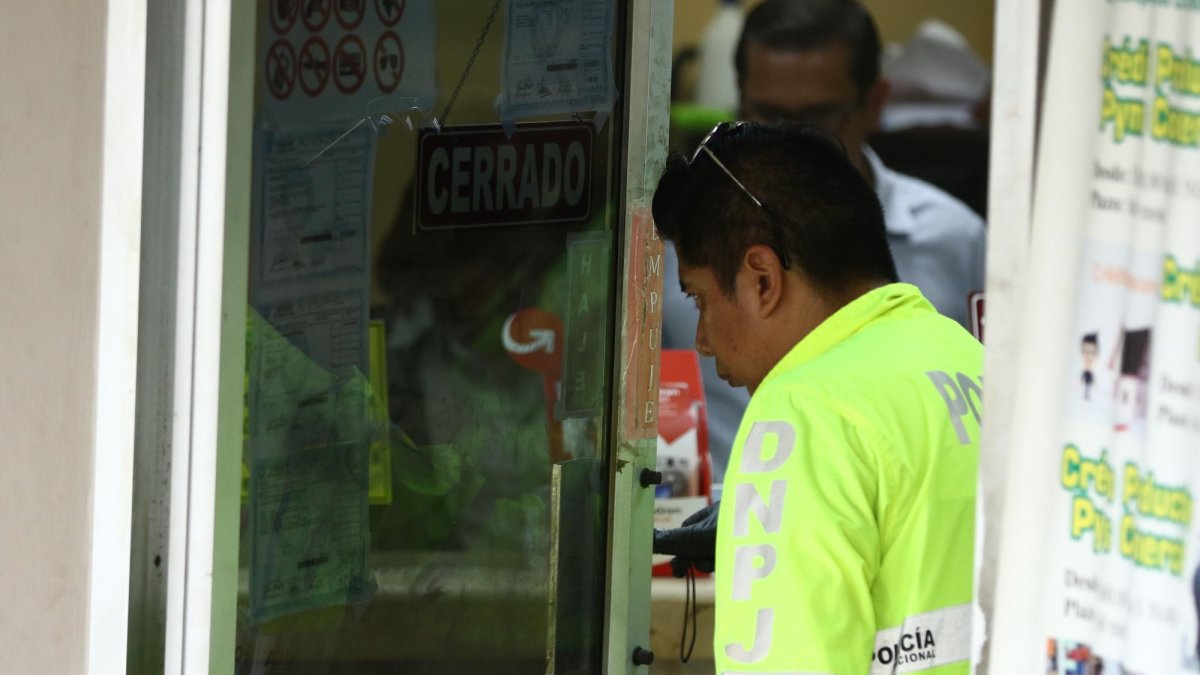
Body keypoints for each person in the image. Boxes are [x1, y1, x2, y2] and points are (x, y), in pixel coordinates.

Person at [653, 122, 982, 673]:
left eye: (700, 298)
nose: (703, 341)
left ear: (762, 279)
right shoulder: (967, 357)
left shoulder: (802, 410)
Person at [663, 0, 987, 483]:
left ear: (873, 103)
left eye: (817, 118)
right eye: (766, 115)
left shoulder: (957, 240)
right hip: (714, 538)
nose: (787, 142)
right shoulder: (676, 245)